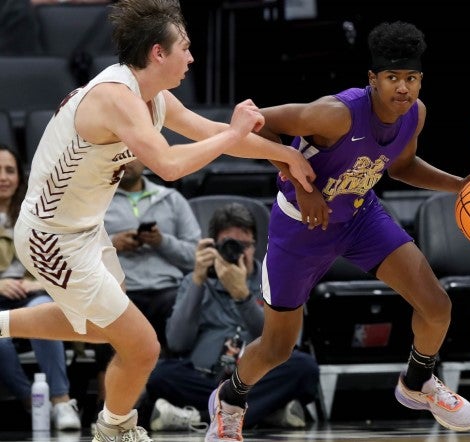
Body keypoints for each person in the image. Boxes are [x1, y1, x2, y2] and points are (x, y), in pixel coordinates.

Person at [1, 0, 316, 441]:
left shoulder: (154, 98)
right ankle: (114, 429)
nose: (191, 57)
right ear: (157, 53)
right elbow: (168, 165)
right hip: (49, 236)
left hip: (85, 231)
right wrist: (236, 131)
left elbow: (211, 135)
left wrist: (282, 155)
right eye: (184, 48)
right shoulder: (115, 98)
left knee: (94, 327)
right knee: (142, 346)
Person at [204, 21, 470, 442]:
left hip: (358, 216)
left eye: (411, 79)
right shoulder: (335, 114)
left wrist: (459, 185)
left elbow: (401, 165)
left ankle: (418, 381)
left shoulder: (415, 115)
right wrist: (304, 184)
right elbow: (257, 122)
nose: (403, 88)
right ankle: (231, 397)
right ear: (373, 80)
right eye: (392, 78)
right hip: (300, 227)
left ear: (421, 80)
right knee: (279, 348)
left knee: (437, 304)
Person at [144, 202, 319, 432]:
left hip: (256, 379)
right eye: (228, 244)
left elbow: (285, 343)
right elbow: (177, 341)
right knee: (160, 375)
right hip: (204, 378)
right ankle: (263, 413)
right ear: (213, 246)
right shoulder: (195, 281)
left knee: (304, 368)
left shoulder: (274, 281)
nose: (237, 251)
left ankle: (198, 415)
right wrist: (198, 280)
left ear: (255, 246)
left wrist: (243, 296)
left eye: (243, 245)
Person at [0, 144, 81, 431]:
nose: (3, 177)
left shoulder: (38, 213)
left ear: (20, 177)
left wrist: (36, 282)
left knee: (45, 317)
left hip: (33, 293)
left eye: (9, 170)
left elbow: (63, 261)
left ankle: (61, 402)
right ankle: (31, 401)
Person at [104, 158, 201, 351]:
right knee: (104, 309)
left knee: (183, 308)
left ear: (145, 159)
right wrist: (112, 243)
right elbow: (76, 253)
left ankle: (177, 375)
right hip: (120, 289)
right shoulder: (94, 202)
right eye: (120, 154)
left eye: (132, 154)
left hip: (167, 290)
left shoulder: (172, 199)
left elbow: (196, 257)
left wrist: (161, 242)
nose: (126, 160)